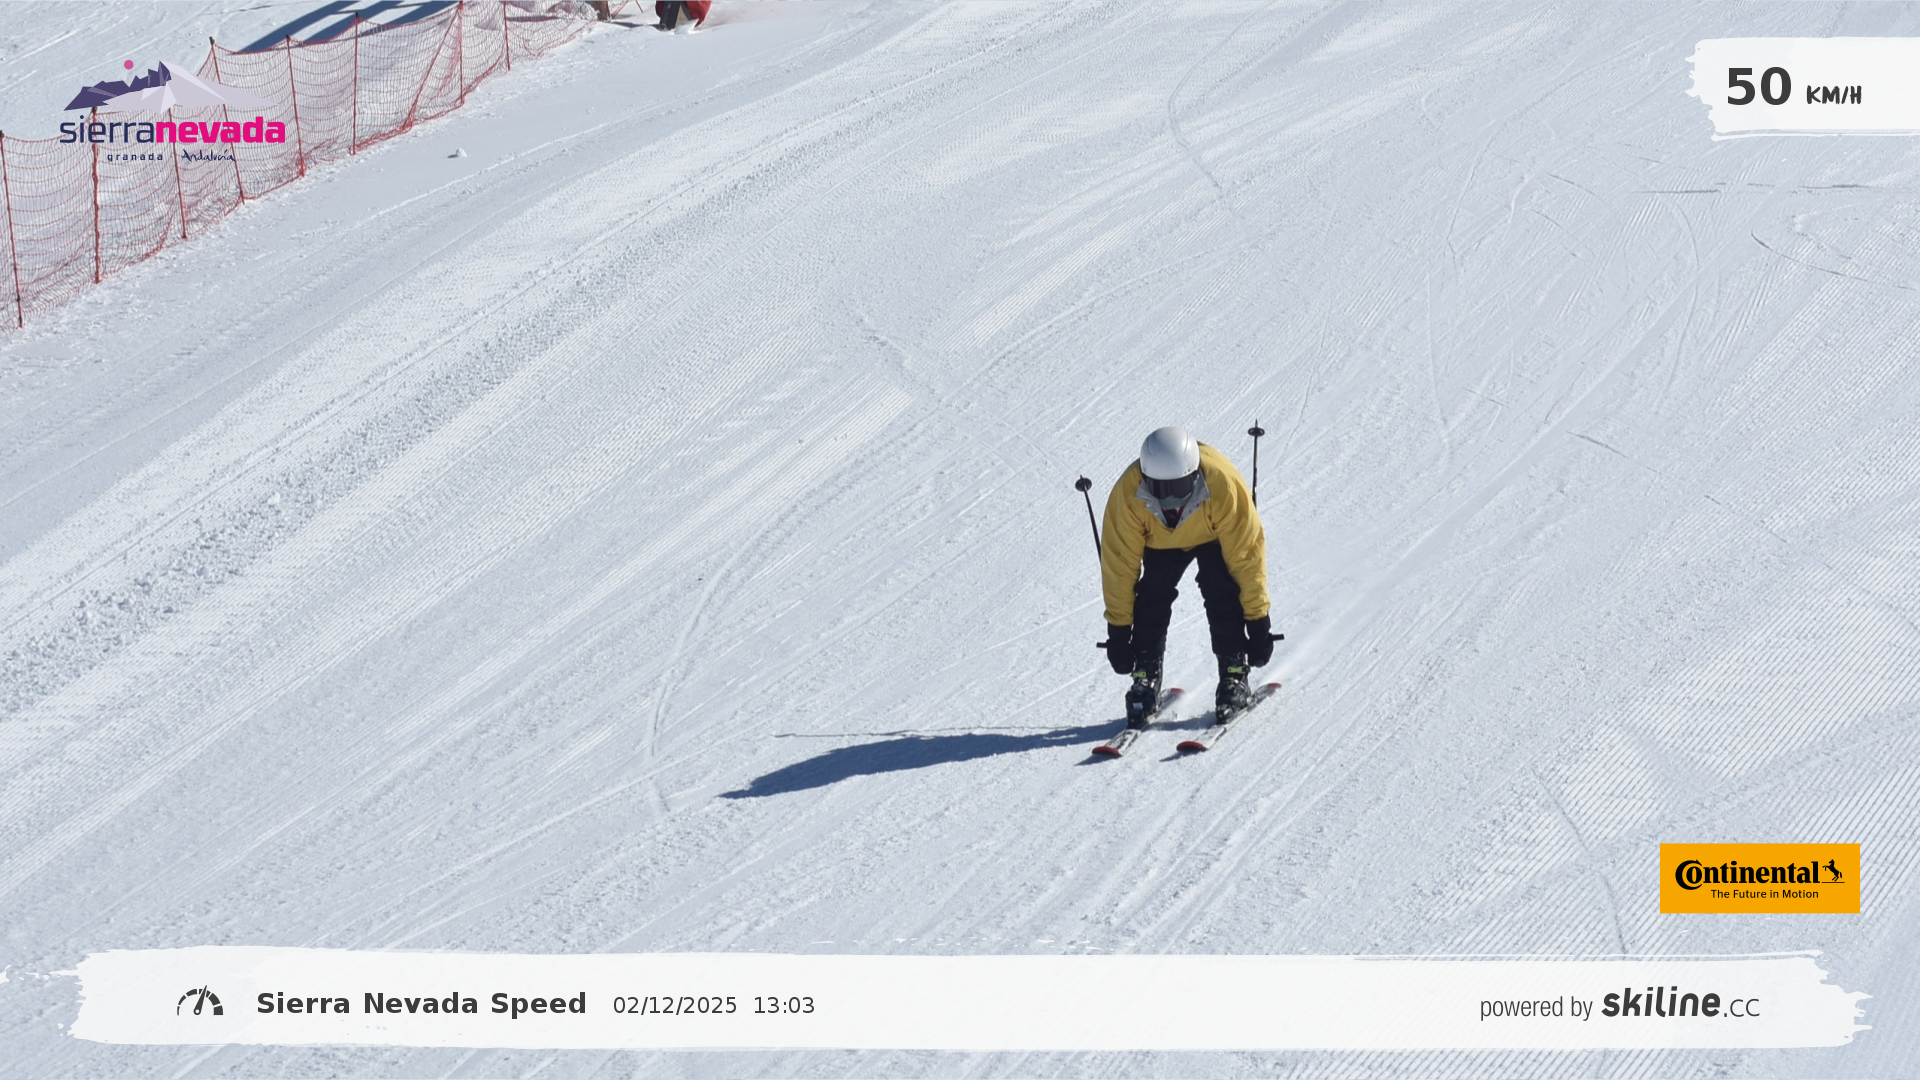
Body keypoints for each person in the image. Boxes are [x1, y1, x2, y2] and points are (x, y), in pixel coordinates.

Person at [1100, 426, 1274, 726]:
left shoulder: (1223, 484)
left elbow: (1246, 557)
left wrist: (1258, 622)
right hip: (1160, 541)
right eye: (1159, 489)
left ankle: (1233, 672)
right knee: (1152, 596)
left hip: (1211, 535)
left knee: (1221, 588)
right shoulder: (1128, 495)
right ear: (1145, 479)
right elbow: (1119, 567)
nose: (1170, 502)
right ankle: (1145, 676)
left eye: (1178, 488)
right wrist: (1118, 631)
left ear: (1194, 476)